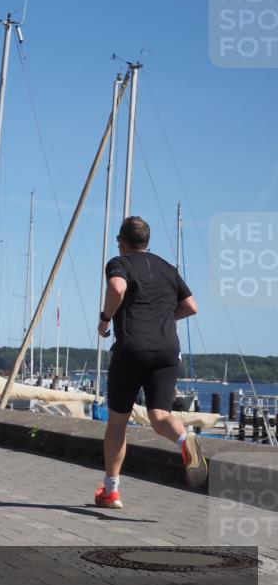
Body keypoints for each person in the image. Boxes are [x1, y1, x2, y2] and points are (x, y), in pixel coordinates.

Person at [96, 216, 207, 509]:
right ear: (147, 242)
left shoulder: (120, 263)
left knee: (118, 421)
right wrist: (162, 318)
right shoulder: (168, 268)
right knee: (159, 415)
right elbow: (191, 306)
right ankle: (185, 441)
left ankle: (111, 491)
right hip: (167, 350)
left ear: (122, 241)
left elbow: (117, 289)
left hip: (132, 349)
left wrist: (105, 319)